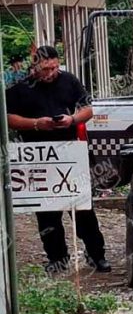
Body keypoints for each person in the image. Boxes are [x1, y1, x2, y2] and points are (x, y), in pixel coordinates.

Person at [5, 46, 110, 273]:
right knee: (47, 213)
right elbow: (8, 117)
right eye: (45, 69)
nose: (50, 73)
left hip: (69, 153)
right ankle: (57, 258)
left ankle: (96, 255)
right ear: (34, 67)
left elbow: (88, 108)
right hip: (38, 156)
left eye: (54, 67)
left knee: (83, 209)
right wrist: (36, 124)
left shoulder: (69, 80)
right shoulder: (20, 87)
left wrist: (71, 119)